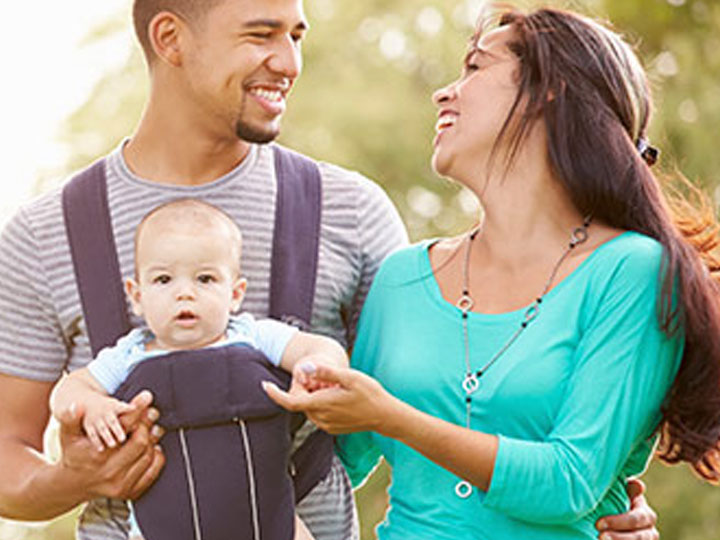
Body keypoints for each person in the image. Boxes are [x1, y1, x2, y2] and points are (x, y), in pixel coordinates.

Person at [0, 0, 659, 539]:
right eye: (261, 34)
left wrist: (598, 495)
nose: (289, 63)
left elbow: (411, 411)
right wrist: (72, 479)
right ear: (170, 39)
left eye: (296, 36)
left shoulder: (352, 213)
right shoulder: (43, 235)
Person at [264, 6, 720, 540]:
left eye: (476, 67)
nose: (444, 93)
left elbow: (569, 482)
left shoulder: (632, 272)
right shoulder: (402, 279)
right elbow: (328, 465)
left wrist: (391, 416)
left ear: (548, 91)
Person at [50, 198, 350, 539]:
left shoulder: (252, 335)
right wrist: (91, 405)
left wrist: (316, 369)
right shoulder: (128, 354)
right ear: (137, 296)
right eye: (164, 279)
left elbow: (320, 348)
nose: (185, 293)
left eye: (205, 278)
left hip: (269, 524)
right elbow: (68, 391)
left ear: (235, 293)